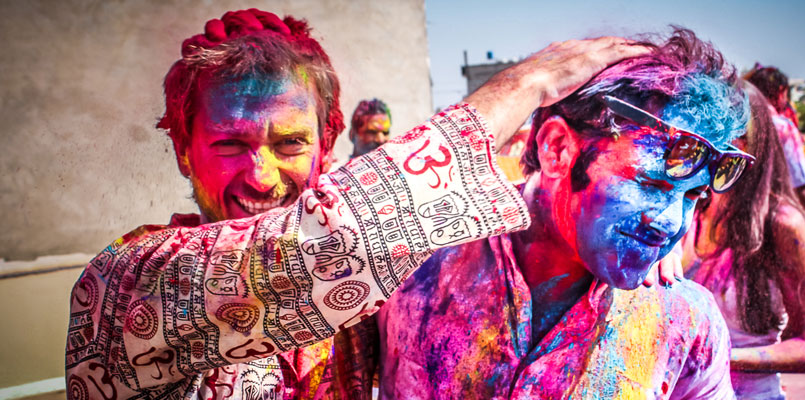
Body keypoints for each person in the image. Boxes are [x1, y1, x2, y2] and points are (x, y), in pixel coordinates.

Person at [63, 8, 651, 398]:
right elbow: (315, 246)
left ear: (326, 146)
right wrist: (523, 87)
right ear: (184, 152)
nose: (261, 176)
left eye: (290, 143)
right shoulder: (125, 284)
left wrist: (621, 238)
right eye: (229, 144)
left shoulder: (365, 298)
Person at [372, 28, 748, 398]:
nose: (670, 222)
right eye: (650, 184)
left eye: (693, 196)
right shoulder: (412, 262)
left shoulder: (683, 318)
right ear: (557, 148)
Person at [682, 83, 805, 400]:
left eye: (723, 129)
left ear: (752, 140)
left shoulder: (780, 224)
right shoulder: (687, 208)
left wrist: (715, 358)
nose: (708, 139)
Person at [746, 66, 805, 253]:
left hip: (740, 223)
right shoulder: (783, 128)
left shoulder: (739, 123)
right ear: (780, 91)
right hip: (777, 223)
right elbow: (800, 187)